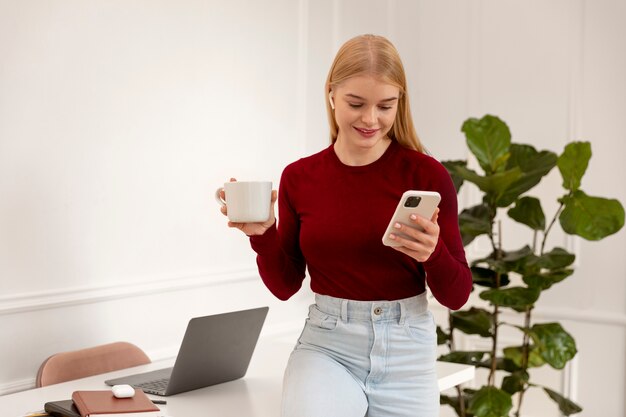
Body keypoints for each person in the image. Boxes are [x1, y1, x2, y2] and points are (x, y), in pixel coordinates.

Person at [220, 34, 472, 417]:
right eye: (356, 103)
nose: (371, 119)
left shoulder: (427, 175)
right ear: (332, 94)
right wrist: (263, 235)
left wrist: (433, 254)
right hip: (328, 346)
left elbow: (456, 296)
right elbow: (286, 286)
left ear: (399, 103)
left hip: (408, 350)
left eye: (385, 106)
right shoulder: (300, 177)